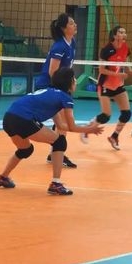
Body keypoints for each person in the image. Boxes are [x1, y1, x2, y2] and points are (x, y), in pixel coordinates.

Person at [0, 67, 104, 195]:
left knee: (25, 150)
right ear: (69, 82)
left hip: (8, 118)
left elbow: (61, 126)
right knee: (59, 142)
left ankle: (3, 177)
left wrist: (85, 128)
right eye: (74, 79)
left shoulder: (49, 92)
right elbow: (72, 127)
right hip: (24, 119)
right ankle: (56, 184)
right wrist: (90, 129)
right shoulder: (65, 98)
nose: (76, 82)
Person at [80, 25, 132, 150]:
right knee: (106, 116)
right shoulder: (106, 50)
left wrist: (130, 71)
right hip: (105, 85)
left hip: (118, 85)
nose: (124, 34)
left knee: (127, 114)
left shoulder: (125, 47)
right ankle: (87, 129)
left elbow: (125, 61)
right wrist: (119, 74)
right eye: (121, 32)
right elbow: (102, 70)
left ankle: (114, 137)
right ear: (115, 35)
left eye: (124, 32)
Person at [35, 12, 78, 168]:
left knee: (63, 121)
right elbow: (52, 72)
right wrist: (64, 89)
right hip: (48, 85)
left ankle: (55, 153)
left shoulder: (72, 42)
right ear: (63, 28)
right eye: (71, 23)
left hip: (59, 85)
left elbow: (67, 67)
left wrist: (71, 81)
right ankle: (57, 153)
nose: (75, 25)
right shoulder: (59, 46)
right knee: (63, 122)